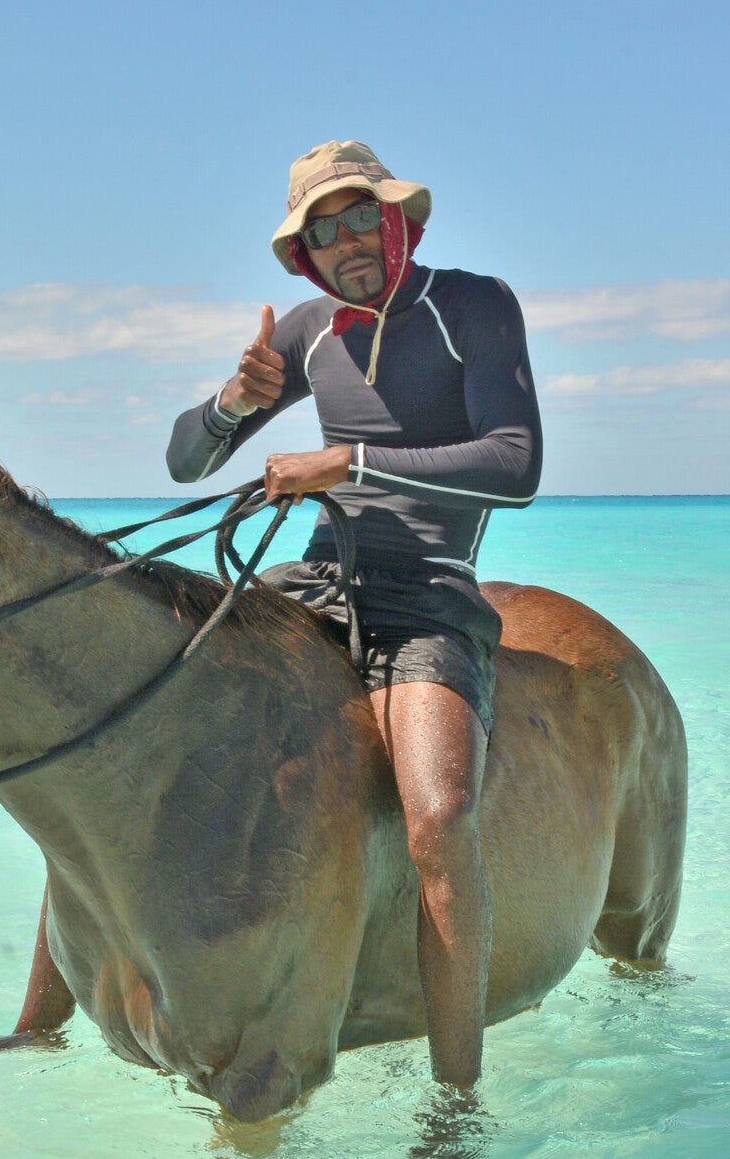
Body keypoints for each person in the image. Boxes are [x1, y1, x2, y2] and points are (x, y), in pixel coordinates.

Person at [164, 140, 543, 1088]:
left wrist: (348, 464)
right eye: (321, 231)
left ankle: (456, 1099)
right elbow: (185, 464)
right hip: (312, 583)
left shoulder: (472, 306)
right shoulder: (305, 331)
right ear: (304, 255)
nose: (345, 242)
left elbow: (516, 464)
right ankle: (38, 1023)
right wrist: (228, 404)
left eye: (359, 218)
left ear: (397, 221)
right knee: (141, 727)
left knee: (439, 817)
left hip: (425, 592)